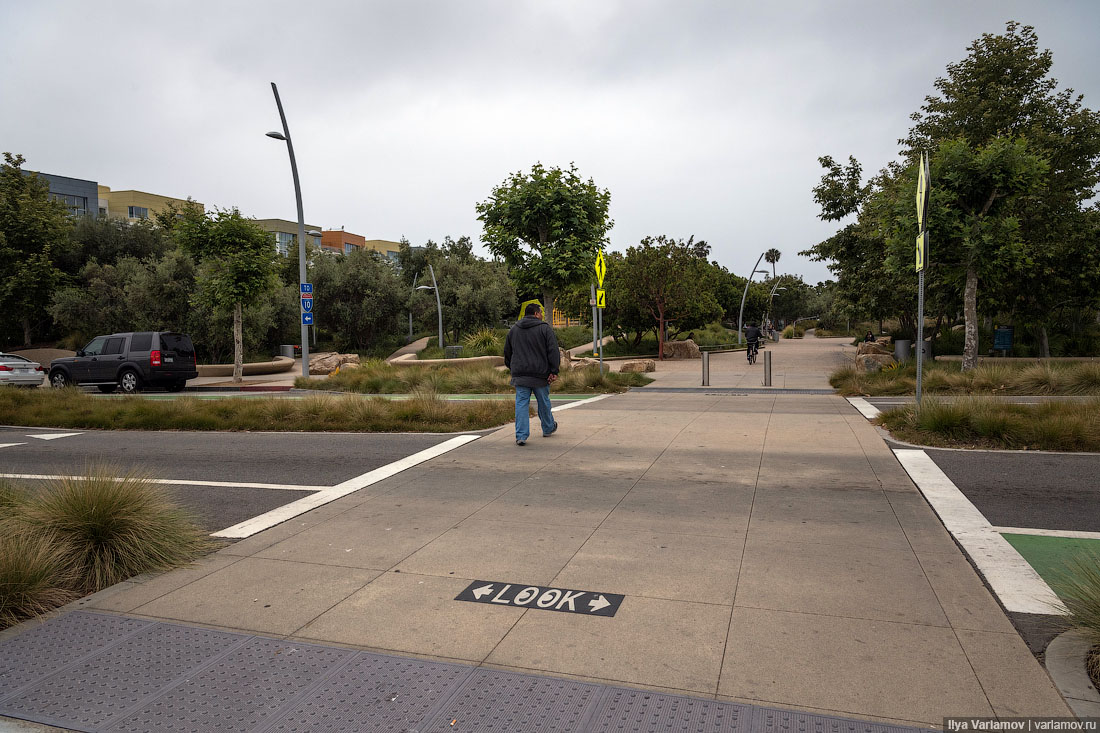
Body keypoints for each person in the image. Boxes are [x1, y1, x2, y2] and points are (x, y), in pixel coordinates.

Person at [503, 302, 560, 446]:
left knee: (521, 403)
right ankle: (548, 428)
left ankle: (521, 435)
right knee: (543, 402)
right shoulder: (544, 329)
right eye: (540, 313)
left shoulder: (514, 330)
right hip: (540, 374)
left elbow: (507, 352)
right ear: (536, 314)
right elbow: (553, 350)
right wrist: (554, 370)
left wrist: (513, 368)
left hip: (520, 374)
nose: (542, 315)